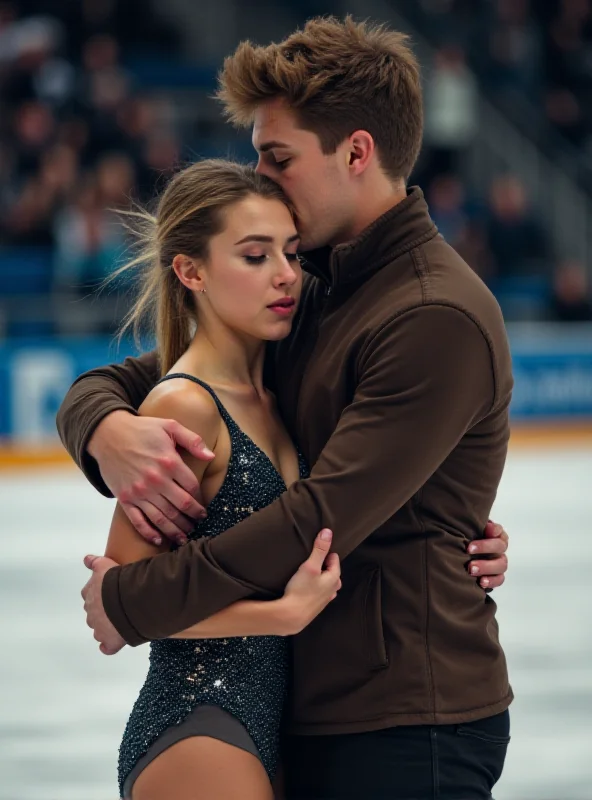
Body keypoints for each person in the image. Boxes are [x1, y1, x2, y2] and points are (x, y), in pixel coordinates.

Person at [66, 17, 513, 800]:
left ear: (356, 153)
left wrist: (133, 601)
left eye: (278, 158)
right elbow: (134, 378)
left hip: (408, 717)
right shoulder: (310, 290)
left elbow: (319, 518)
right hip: (304, 709)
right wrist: (105, 430)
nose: (263, 180)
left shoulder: (431, 314)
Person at [95, 158, 343, 799]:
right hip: (200, 721)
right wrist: (282, 616)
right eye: (255, 256)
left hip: (269, 723)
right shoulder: (185, 406)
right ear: (191, 271)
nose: (287, 275)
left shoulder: (274, 393)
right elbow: (122, 606)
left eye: (290, 253)